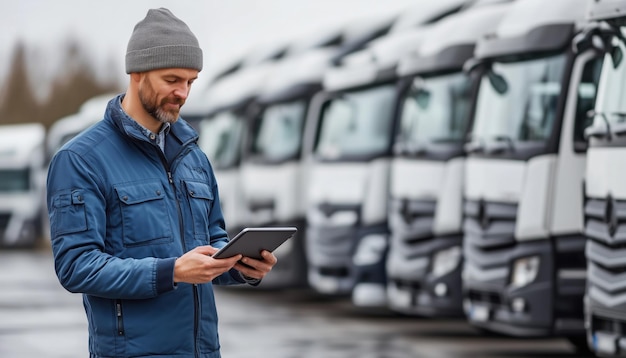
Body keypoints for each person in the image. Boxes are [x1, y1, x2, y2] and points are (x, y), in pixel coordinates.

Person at [46, 8, 277, 358]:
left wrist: (241, 267)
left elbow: (212, 243)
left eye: (190, 82)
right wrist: (173, 271)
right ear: (137, 73)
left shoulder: (194, 158)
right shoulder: (81, 159)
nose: (183, 93)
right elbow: (77, 266)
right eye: (172, 80)